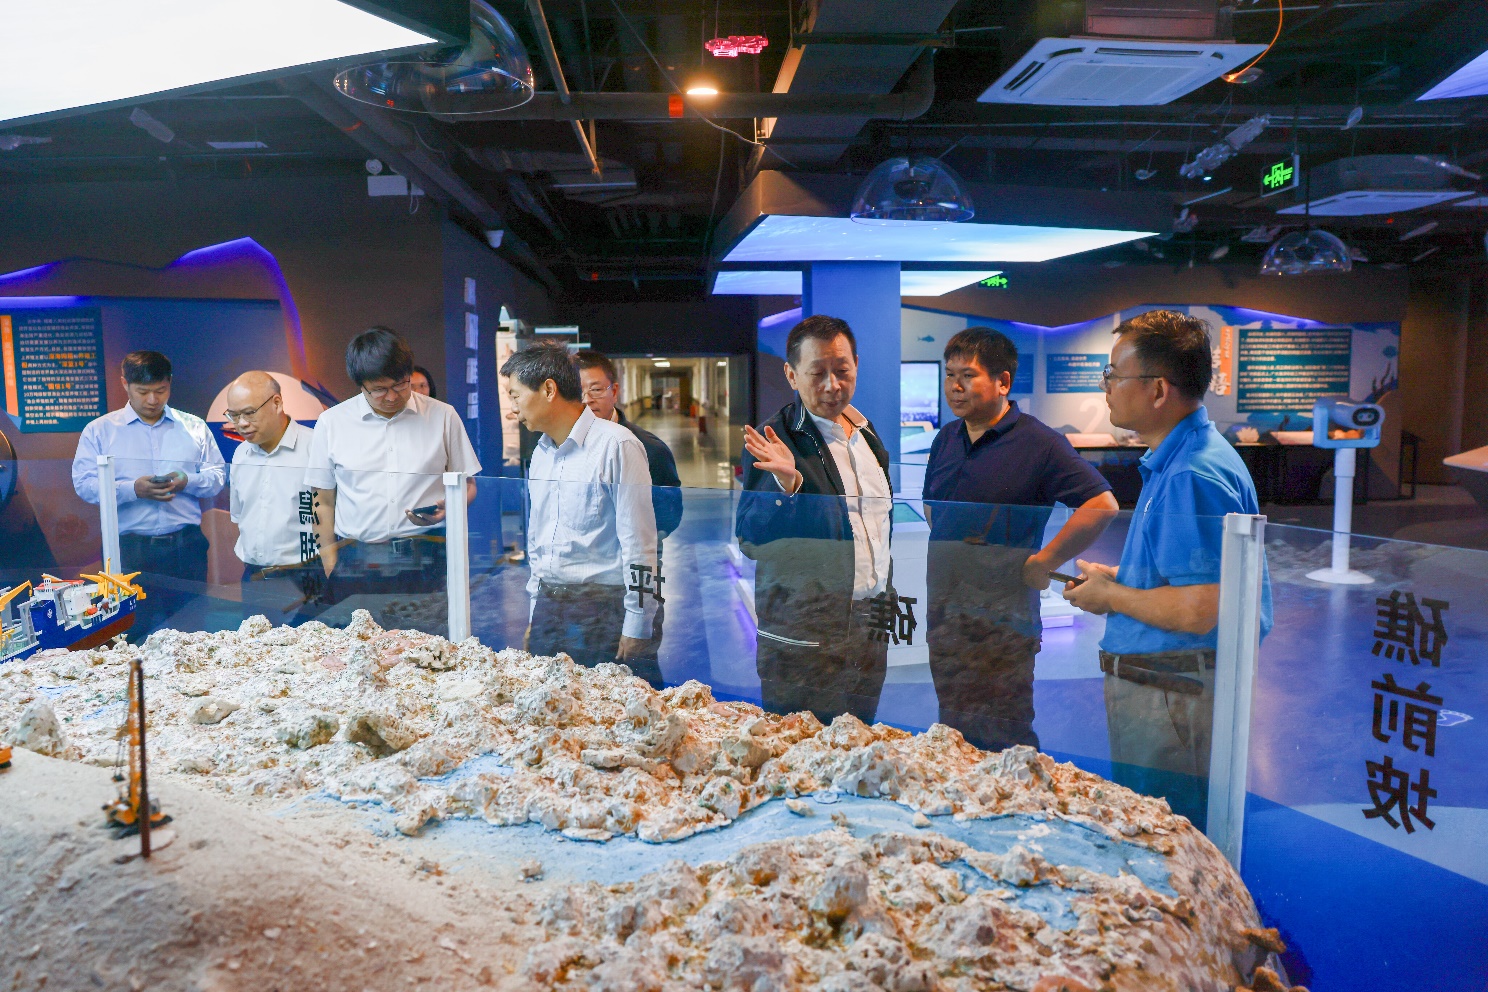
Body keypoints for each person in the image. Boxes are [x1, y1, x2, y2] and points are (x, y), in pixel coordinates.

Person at [1062, 309, 1272, 826]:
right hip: (1167, 689)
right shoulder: (1180, 460)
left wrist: (1111, 597)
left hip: (1172, 697)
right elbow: (1195, 583)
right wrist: (1121, 581)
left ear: (1158, 390)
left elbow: (1201, 607)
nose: (1106, 386)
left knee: (1166, 837)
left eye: (1114, 374)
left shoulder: (1191, 474)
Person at [923, 328, 1120, 753]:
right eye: (950, 374)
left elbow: (1101, 504)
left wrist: (1045, 560)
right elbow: (933, 510)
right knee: (952, 731)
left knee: (1005, 735)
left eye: (968, 375)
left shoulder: (1040, 442)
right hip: (946, 614)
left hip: (1002, 623)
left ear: (1003, 382)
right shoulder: (946, 438)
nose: (955, 386)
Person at [737, 314, 893, 726]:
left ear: (856, 365)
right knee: (799, 746)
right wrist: (788, 487)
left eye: (842, 370)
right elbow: (751, 539)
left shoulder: (866, 433)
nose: (831, 385)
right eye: (817, 373)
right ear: (791, 375)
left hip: (870, 623)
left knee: (861, 739)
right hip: (804, 633)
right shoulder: (775, 440)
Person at [503, 343, 658, 667]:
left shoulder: (617, 445)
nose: (513, 408)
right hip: (549, 607)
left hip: (602, 609)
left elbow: (640, 543)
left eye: (515, 395)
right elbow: (538, 540)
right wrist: (535, 613)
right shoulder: (542, 453)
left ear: (549, 390)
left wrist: (638, 622)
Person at [304, 328, 480, 613]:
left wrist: (451, 505)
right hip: (355, 557)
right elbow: (321, 499)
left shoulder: (443, 416)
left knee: (428, 635)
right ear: (361, 385)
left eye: (400, 385)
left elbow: (469, 485)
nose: (391, 397)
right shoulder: (332, 422)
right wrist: (328, 559)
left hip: (427, 555)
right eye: (379, 389)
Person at [72, 350, 226, 632]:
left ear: (170, 382)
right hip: (130, 551)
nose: (153, 400)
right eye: (143, 392)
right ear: (125, 384)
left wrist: (187, 481)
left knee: (192, 633)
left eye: (161, 390)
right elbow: (84, 484)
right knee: (131, 633)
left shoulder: (194, 427)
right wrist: (133, 489)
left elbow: (217, 477)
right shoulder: (100, 431)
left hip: (186, 547)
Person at [573, 349, 682, 687]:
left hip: (633, 577)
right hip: (584, 586)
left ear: (615, 391)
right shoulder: (562, 447)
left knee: (637, 672)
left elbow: (669, 515)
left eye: (596, 389)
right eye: (579, 391)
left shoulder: (647, 447)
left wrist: (628, 530)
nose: (587, 400)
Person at [222, 372, 322, 619]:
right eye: (233, 415)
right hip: (254, 576)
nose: (241, 423)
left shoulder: (316, 449)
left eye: (249, 413)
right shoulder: (240, 454)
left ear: (277, 403)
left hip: (305, 576)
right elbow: (240, 516)